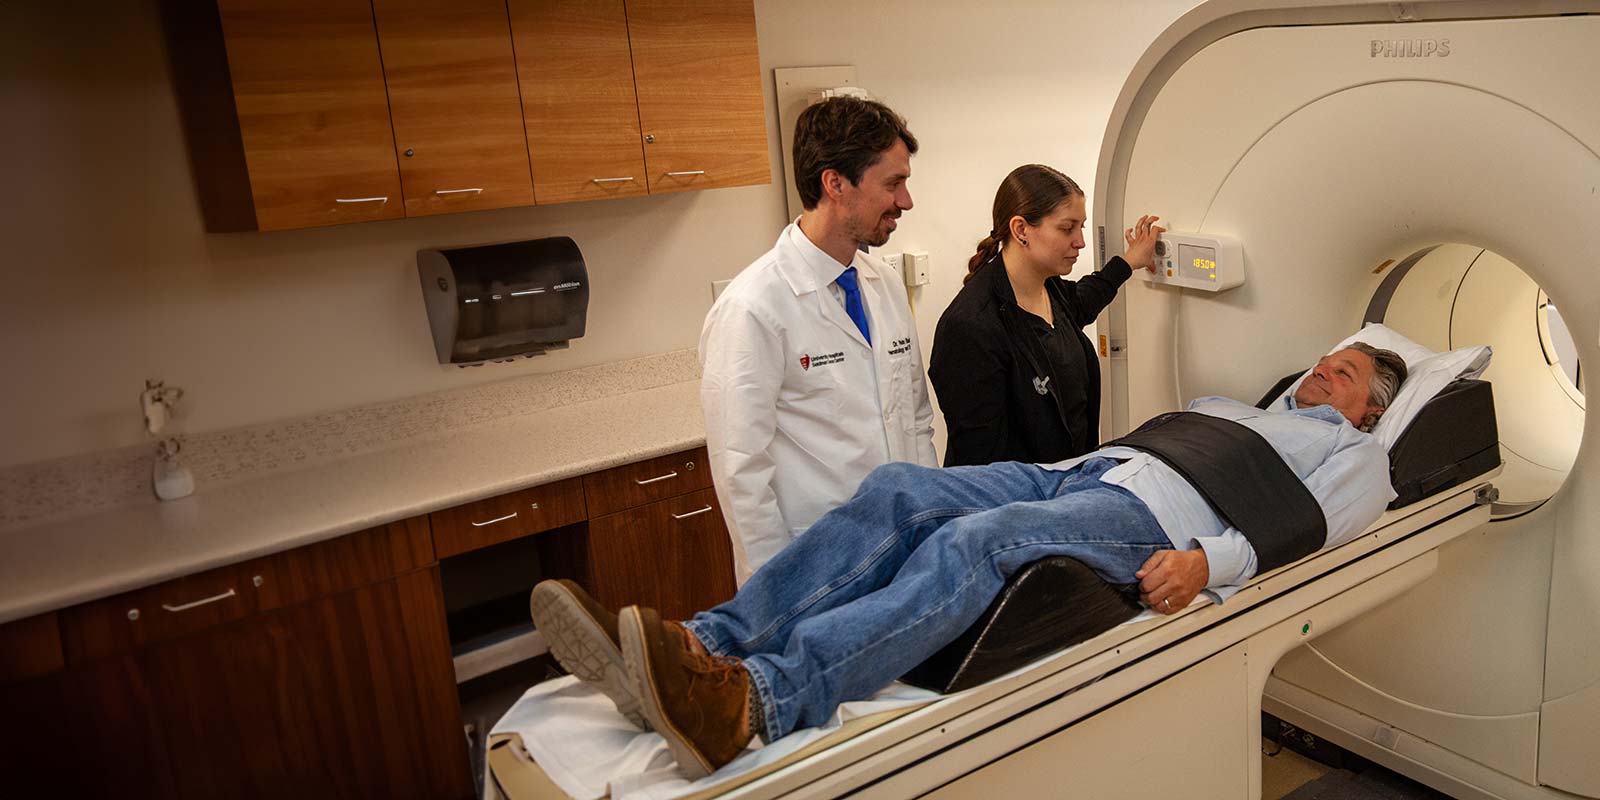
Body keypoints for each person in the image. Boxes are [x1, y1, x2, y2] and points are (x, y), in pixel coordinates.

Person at [534, 343, 1408, 778]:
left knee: (977, 543)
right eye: (1328, 361)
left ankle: (756, 702)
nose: (1327, 372)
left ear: (1370, 410)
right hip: (1084, 473)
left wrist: (1205, 564)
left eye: (1348, 373)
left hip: (1152, 515)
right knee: (901, 491)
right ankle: (704, 645)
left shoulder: (1355, 454)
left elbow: (1311, 529)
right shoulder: (1235, 402)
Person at [700, 97, 938, 584]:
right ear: (836, 184)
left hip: (901, 550)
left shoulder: (884, 286)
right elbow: (741, 472)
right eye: (893, 183)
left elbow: (915, 421)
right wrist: (776, 593)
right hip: (812, 565)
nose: (906, 201)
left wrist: (930, 531)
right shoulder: (754, 308)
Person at [930, 164, 1164, 466]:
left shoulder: (1050, 290)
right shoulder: (970, 327)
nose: (1080, 241)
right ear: (1021, 230)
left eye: (1081, 226)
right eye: (1067, 228)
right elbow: (980, 463)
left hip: (1066, 485)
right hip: (1019, 504)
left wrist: (1130, 260)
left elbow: (1086, 298)